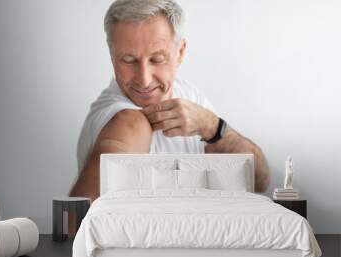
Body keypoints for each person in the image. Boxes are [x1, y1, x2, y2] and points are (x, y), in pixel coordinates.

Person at [70, 0, 270, 201]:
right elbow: (74, 224)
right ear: (112, 56)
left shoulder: (189, 97)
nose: (144, 79)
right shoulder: (126, 121)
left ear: (180, 52)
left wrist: (211, 126)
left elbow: (260, 180)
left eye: (157, 59)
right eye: (128, 60)